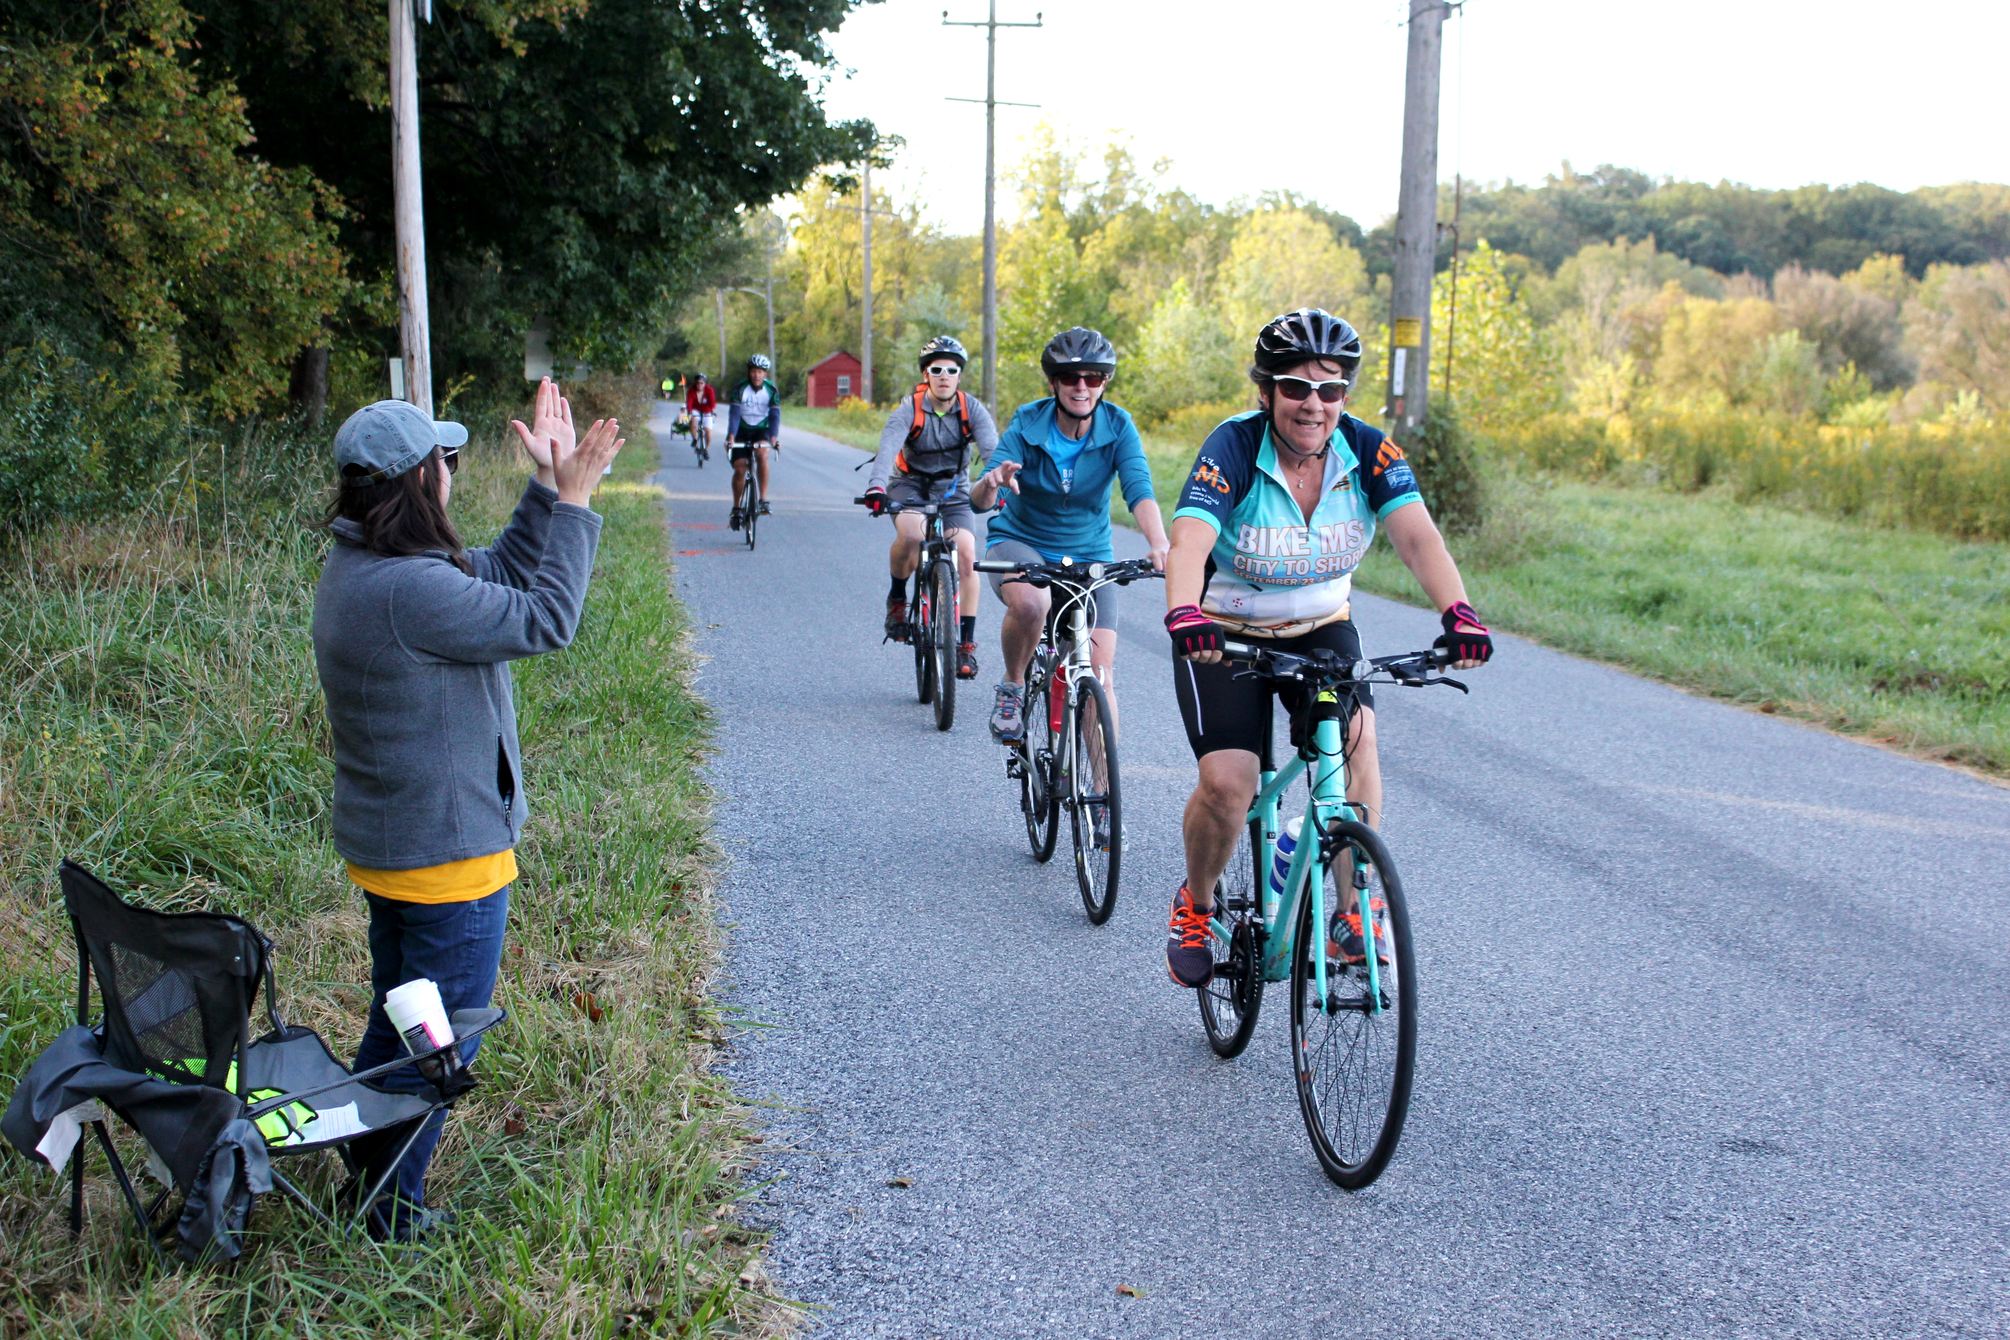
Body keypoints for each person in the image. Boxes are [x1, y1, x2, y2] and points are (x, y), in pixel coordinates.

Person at [312, 379, 623, 1239]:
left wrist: (544, 490)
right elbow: (547, 616)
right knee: (440, 1044)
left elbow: (504, 572)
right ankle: (389, 1215)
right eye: (444, 461)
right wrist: (579, 499)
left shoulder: (370, 567)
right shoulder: (409, 591)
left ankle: (366, 1180)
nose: (452, 472)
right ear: (418, 480)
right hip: (446, 859)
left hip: (397, 846)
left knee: (400, 1019)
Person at [1159, 309, 1493, 989]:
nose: (1313, 404)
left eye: (1331, 390)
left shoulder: (1369, 452)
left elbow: (1417, 539)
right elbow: (1190, 539)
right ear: (1265, 391)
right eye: (1295, 388)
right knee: (1229, 785)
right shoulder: (1232, 447)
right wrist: (1183, 611)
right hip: (1222, 632)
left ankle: (1350, 916)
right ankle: (1196, 901)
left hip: (1320, 626)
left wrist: (1459, 613)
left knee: (1357, 741)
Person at [968, 326, 1170, 750]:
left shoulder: (1118, 426)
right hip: (1022, 542)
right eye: (1070, 377)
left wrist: (1158, 543)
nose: (1082, 386)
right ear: (1053, 383)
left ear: (1104, 383)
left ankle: (1100, 802)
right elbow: (980, 500)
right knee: (1032, 602)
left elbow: (1138, 488)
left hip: (1089, 554)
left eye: (1093, 377)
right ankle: (1012, 685)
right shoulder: (1028, 421)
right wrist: (993, 482)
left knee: (1099, 676)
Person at [862, 336, 999, 678]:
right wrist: (876, 487)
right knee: (911, 535)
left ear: (958, 376)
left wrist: (1002, 484)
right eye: (936, 369)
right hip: (909, 488)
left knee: (966, 554)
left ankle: (964, 645)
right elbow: (887, 448)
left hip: (953, 493)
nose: (944, 376)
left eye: (951, 370)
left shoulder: (972, 409)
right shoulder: (909, 408)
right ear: (926, 374)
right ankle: (897, 600)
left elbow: (995, 453)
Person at [726, 354, 780, 530]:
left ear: (765, 374)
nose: (756, 375)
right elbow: (734, 414)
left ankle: (763, 500)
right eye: (753, 371)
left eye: (760, 372)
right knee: (740, 467)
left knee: (762, 454)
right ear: (749, 373)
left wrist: (773, 437)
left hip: (761, 429)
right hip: (741, 429)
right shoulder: (740, 389)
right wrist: (731, 436)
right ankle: (736, 508)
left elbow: (774, 415)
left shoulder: (771, 390)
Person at [685, 372, 717, 456]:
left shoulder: (709, 390)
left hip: (707, 410)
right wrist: (689, 412)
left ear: (705, 383)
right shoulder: (691, 390)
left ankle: (706, 449)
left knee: (708, 430)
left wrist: (713, 411)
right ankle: (695, 439)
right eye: (698, 383)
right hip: (696, 409)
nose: (699, 385)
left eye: (701, 383)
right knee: (693, 421)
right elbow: (689, 402)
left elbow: (712, 402)